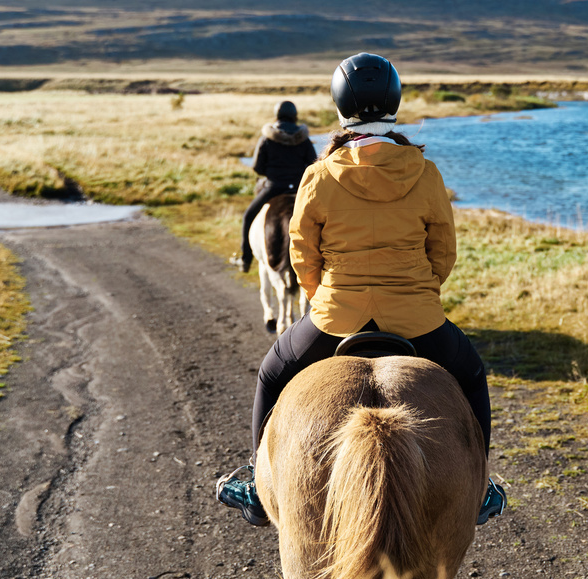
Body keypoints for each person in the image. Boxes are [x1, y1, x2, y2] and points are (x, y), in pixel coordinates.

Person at [217, 52, 506, 527]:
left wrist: (321, 295)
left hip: (336, 315)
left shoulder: (319, 174)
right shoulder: (425, 172)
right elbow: (444, 252)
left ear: (339, 106)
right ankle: (481, 488)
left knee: (272, 373)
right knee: (472, 375)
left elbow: (302, 254)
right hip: (417, 316)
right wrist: (418, 291)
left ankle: (254, 484)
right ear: (394, 102)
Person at [235, 100, 318, 273]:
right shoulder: (303, 139)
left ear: (277, 116)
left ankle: (246, 260)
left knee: (248, 216)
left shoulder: (267, 138)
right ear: (295, 116)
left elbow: (257, 167)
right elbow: (313, 164)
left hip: (273, 188)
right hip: (298, 189)